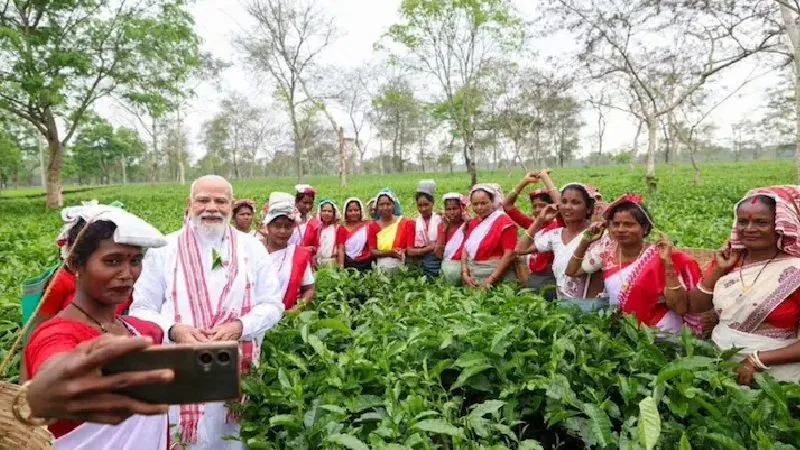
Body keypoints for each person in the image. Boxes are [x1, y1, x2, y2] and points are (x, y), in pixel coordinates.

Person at [129, 175, 284, 450]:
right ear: (189, 204)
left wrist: (241, 325)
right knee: (186, 440)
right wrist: (175, 330)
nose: (211, 207)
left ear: (231, 206)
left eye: (220, 201)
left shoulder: (252, 248)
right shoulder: (165, 249)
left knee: (233, 438)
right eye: (203, 200)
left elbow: (273, 305)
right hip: (180, 368)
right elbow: (141, 308)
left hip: (235, 371)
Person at [23, 206, 171, 449]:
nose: (127, 274)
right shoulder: (57, 333)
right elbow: (53, 363)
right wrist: (46, 389)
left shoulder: (142, 330)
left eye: (135, 261)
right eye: (112, 261)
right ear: (75, 264)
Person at [683, 186, 800, 384]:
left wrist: (757, 360)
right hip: (720, 364)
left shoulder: (795, 270)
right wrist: (718, 271)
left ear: (780, 225)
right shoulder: (730, 260)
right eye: (743, 222)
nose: (749, 229)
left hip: (776, 373)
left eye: (761, 223)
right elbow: (696, 306)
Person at [565, 194, 704, 334]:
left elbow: (680, 308)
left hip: (660, 330)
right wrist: (585, 242)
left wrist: (667, 264)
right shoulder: (606, 252)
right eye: (616, 224)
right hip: (625, 329)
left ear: (644, 228)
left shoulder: (659, 256)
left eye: (629, 224)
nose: (620, 229)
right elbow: (572, 271)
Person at [15, 334, 174, 430]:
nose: (125, 276)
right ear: (77, 275)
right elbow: (51, 351)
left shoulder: (142, 326)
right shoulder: (57, 333)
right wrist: (39, 394)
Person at [517, 172, 598, 298]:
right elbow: (520, 249)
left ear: (588, 208)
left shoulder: (595, 233)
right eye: (564, 202)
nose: (567, 207)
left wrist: (544, 177)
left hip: (589, 306)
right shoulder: (555, 235)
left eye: (575, 202)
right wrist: (539, 221)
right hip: (563, 304)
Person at [504, 172, 559, 296]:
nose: (538, 210)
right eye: (535, 206)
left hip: (551, 278)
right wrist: (524, 182)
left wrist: (545, 178)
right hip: (534, 276)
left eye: (542, 206)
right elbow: (507, 205)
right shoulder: (533, 225)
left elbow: (560, 203)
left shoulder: (559, 226)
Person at [263, 192, 316, 310]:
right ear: (267, 226)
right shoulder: (254, 252)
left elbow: (309, 289)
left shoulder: (299, 255)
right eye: (277, 226)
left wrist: (298, 307)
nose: (282, 231)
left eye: (288, 227)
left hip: (286, 319)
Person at [461, 184, 518, 288]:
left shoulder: (505, 222)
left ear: (493, 202)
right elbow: (465, 248)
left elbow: (508, 254)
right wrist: (465, 274)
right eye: (475, 204)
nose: (479, 207)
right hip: (474, 274)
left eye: (484, 203)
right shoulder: (473, 223)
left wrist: (491, 280)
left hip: (496, 274)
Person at [406, 180, 442, 277]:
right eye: (420, 205)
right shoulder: (412, 223)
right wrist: (428, 248)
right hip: (420, 259)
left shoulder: (440, 220)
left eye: (426, 204)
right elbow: (410, 251)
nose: (423, 209)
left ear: (433, 203)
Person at [369, 189, 410, 272]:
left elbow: (408, 246)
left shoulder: (403, 222)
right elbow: (372, 251)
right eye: (381, 204)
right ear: (377, 207)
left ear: (393, 205)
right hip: (382, 269)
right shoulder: (373, 226)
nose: (385, 207)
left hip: (402, 267)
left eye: (388, 204)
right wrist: (390, 253)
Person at [435, 193, 468, 286]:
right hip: (447, 264)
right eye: (448, 209)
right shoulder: (442, 226)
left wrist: (468, 222)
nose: (452, 213)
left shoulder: (468, 225)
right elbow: (439, 254)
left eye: (455, 209)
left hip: (465, 265)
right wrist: (443, 230)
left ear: (462, 209)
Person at [337, 198, 373, 271]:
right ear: (345, 212)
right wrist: (341, 266)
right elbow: (341, 248)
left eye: (356, 210)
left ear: (361, 211)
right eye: (350, 211)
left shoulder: (368, 225)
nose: (353, 213)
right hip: (348, 262)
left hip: (366, 262)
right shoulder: (342, 228)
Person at [302, 199, 340, 267]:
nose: (326, 213)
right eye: (324, 211)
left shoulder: (338, 228)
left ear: (334, 213)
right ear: (320, 212)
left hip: (333, 261)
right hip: (317, 262)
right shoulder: (316, 227)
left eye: (329, 211)